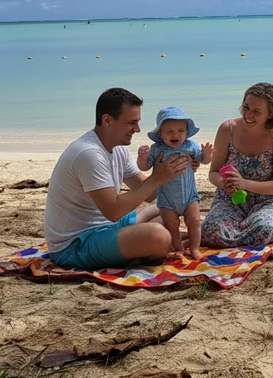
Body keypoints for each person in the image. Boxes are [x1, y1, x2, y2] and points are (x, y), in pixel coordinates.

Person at [44, 88, 190, 270]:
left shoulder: (118, 148)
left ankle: (145, 249)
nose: (137, 129)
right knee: (159, 235)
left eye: (138, 122)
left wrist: (177, 169)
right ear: (107, 120)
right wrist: (155, 178)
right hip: (74, 245)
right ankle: (148, 250)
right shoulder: (89, 154)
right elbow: (113, 211)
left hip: (107, 227)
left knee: (168, 209)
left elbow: (148, 194)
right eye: (131, 123)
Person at [202, 83, 273, 248]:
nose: (248, 115)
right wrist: (225, 184)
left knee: (264, 228)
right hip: (230, 200)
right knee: (210, 229)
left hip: (268, 201)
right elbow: (213, 173)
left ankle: (238, 233)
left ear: (271, 114)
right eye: (246, 107)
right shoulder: (227, 130)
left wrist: (244, 183)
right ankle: (244, 232)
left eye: (256, 111)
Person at [136, 107, 213, 260]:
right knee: (171, 224)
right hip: (167, 199)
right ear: (160, 133)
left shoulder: (191, 146)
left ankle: (195, 248)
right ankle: (179, 249)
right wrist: (142, 157)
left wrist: (207, 154)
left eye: (180, 131)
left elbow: (204, 161)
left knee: (195, 221)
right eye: (169, 131)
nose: (175, 135)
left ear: (187, 132)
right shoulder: (157, 149)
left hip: (189, 196)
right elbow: (144, 167)